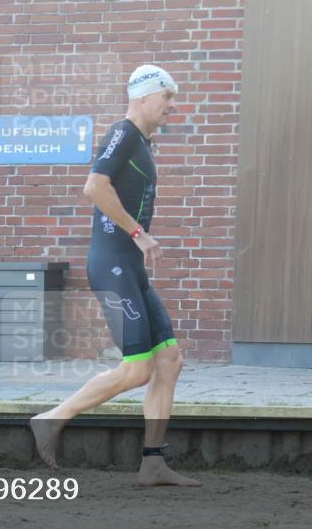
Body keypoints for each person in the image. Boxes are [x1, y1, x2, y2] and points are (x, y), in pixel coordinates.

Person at [31, 65, 199, 486]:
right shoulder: (122, 134)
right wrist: (139, 233)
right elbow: (94, 186)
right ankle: (52, 418)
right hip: (113, 265)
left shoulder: (141, 142)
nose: (172, 106)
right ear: (143, 97)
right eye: (167, 98)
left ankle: (153, 462)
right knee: (138, 369)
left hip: (130, 267)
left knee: (169, 361)